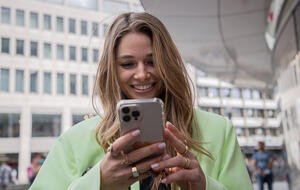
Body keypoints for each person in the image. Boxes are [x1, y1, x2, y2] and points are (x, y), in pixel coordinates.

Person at [29, 12, 253, 190]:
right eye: (127, 64)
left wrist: (205, 187)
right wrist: (98, 183)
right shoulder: (74, 141)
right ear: (112, 71)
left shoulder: (219, 131)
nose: (142, 74)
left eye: (152, 61)